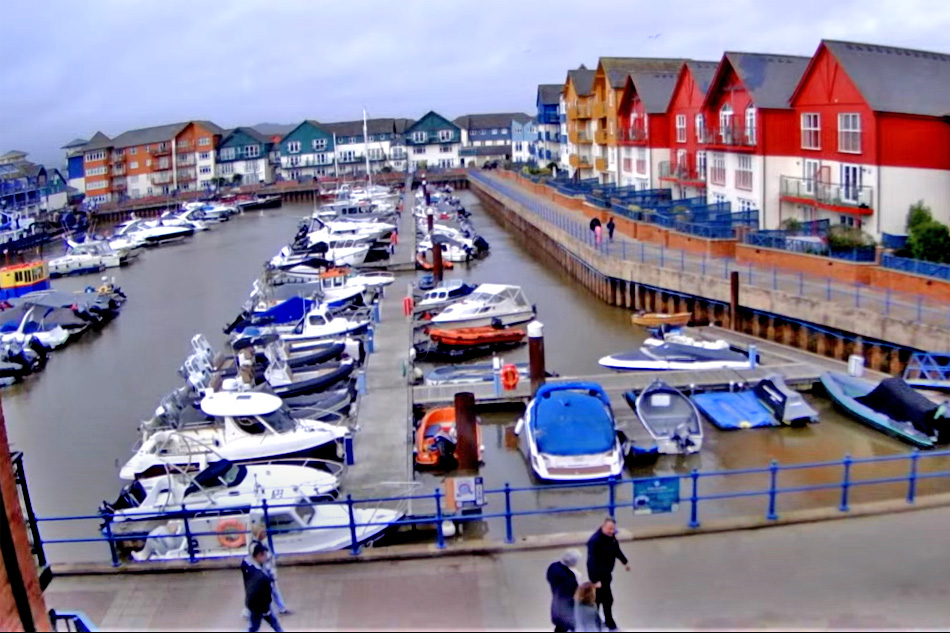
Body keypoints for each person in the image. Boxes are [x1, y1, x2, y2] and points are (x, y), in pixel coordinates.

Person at [586, 517, 629, 631]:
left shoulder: (611, 537)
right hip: (598, 577)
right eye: (609, 529)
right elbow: (591, 562)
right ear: (603, 527)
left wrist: (625, 562)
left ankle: (605, 621)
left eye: (613, 529)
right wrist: (595, 581)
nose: (611, 531)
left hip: (606, 574)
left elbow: (616, 550)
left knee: (605, 599)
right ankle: (603, 623)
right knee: (601, 600)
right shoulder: (594, 541)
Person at [242, 524, 290, 619]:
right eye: (262, 532)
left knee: (274, 590)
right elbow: (260, 560)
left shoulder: (261, 544)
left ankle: (282, 608)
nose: (265, 534)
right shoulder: (255, 546)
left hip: (268, 571)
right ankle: (248, 612)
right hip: (263, 573)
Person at [242, 543, 283, 632]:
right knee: (255, 626)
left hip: (254, 604)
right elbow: (265, 594)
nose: (266, 557)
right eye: (264, 554)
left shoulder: (249, 568)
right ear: (258, 556)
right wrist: (266, 609)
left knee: (271, 624)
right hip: (259, 606)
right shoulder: (262, 577)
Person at [547, 548, 581, 632]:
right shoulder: (570, 578)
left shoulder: (553, 567)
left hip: (556, 605)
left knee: (560, 627)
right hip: (567, 610)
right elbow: (575, 593)